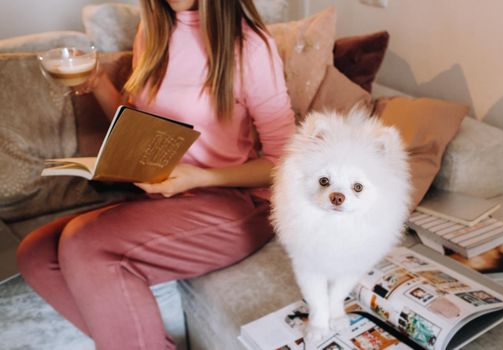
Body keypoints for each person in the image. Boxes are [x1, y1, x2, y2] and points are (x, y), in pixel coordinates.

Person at [16, 0, 295, 349]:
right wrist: (100, 82)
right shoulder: (153, 32)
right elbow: (140, 121)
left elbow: (287, 162)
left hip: (235, 202)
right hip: (170, 198)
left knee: (83, 243)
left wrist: (200, 178)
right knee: (37, 253)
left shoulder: (251, 46)